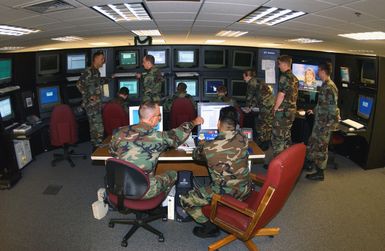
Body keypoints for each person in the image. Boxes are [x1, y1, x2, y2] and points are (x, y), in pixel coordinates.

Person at [180, 106, 251, 238]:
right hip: (245, 190)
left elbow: (195, 155)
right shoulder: (243, 138)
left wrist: (202, 143)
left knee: (185, 199)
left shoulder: (209, 147)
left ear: (218, 123)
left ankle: (210, 227)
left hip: (226, 193)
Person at [109, 101, 204, 199]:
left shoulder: (118, 132)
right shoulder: (159, 137)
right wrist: (194, 122)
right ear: (152, 118)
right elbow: (177, 135)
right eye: (159, 115)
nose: (160, 118)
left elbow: (112, 153)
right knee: (173, 174)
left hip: (119, 186)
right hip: (144, 190)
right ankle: (163, 204)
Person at [305, 62, 340, 181]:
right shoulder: (325, 85)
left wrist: (329, 126)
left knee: (321, 148)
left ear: (323, 71)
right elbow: (322, 104)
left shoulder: (330, 87)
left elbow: (333, 108)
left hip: (324, 124)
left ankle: (320, 173)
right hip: (319, 121)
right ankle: (310, 164)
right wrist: (314, 111)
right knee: (313, 142)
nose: (317, 72)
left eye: (318, 70)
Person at [76, 50, 106, 151]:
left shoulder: (96, 71)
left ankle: (97, 145)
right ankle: (96, 146)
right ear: (96, 59)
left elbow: (94, 84)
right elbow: (79, 84)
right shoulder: (88, 71)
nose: (103, 61)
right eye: (102, 59)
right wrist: (89, 96)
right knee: (96, 126)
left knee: (97, 126)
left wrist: (108, 79)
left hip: (96, 104)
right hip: (91, 104)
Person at [271, 55, 299, 156]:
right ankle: (287, 162)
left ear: (284, 64)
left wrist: (275, 108)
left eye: (279, 64)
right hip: (291, 112)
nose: (278, 66)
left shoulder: (284, 77)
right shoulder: (295, 78)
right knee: (286, 136)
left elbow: (281, 95)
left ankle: (277, 163)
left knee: (278, 137)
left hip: (282, 112)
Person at [243, 69, 274, 150]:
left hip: (265, 106)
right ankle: (265, 144)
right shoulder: (259, 81)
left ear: (248, 76)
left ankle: (263, 146)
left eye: (244, 77)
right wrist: (251, 107)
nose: (244, 79)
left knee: (262, 125)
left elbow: (249, 97)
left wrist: (247, 107)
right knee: (267, 124)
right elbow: (257, 97)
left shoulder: (251, 82)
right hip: (269, 104)